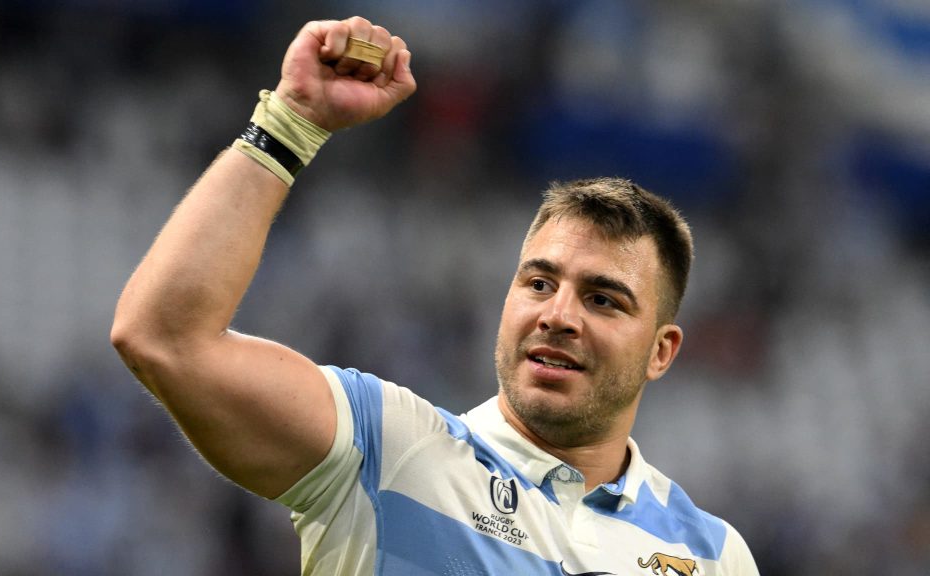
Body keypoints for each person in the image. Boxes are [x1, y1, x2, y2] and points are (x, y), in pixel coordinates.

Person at [111, 16, 760, 576]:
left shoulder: (712, 554)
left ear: (661, 351)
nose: (558, 315)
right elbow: (164, 339)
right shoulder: (390, 448)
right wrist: (290, 122)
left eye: (603, 300)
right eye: (539, 283)